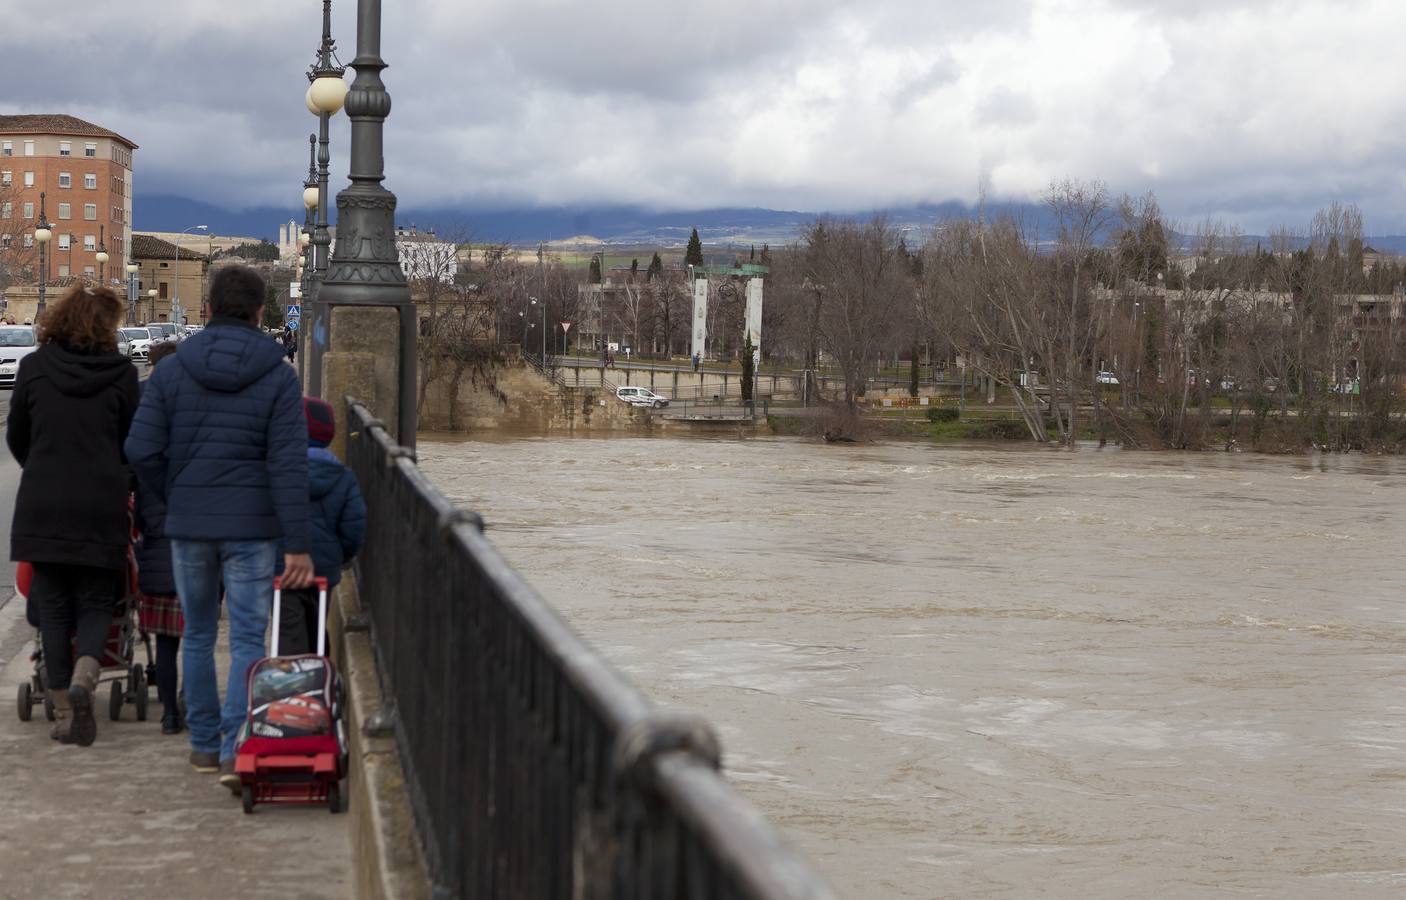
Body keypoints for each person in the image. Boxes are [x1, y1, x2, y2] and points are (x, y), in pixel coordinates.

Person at [125, 264, 313, 790]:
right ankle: (237, 748)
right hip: (254, 529)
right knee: (250, 636)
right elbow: (289, 465)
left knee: (198, 635)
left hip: (188, 524)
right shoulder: (279, 377)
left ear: (206, 309)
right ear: (260, 314)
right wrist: (297, 543)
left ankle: (204, 746)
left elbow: (140, 448)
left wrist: (173, 497)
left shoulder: (170, 371)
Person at [7, 285, 139, 746]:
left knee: (54, 607)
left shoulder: (34, 368)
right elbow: (131, 445)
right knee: (97, 601)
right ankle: (87, 678)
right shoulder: (122, 375)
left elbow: (18, 437)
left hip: (43, 503)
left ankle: (63, 707)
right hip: (100, 504)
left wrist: (42, 468)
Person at [276, 398, 365, 655]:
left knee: (288, 629)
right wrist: (341, 556)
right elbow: (353, 527)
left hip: (283, 564)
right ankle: (319, 672)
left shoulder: (279, 470)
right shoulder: (342, 476)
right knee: (317, 623)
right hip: (325, 566)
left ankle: (293, 682)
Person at [133, 339, 185, 735]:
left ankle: (169, 713)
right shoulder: (195, 403)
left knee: (166, 640)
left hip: (155, 532)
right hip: (198, 531)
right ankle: (195, 706)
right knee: (199, 634)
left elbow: (134, 457)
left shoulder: (142, 401)